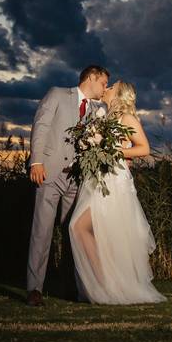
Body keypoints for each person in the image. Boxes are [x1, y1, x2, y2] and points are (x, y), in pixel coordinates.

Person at [68, 80, 167, 304]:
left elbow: (144, 148)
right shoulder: (102, 116)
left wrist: (114, 150)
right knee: (90, 231)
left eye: (111, 86)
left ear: (119, 94)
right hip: (97, 178)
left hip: (115, 181)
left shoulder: (127, 118)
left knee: (81, 227)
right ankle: (103, 284)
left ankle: (107, 285)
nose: (107, 87)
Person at [25, 65, 109, 307]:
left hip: (76, 179)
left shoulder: (97, 109)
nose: (104, 89)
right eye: (103, 83)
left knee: (74, 232)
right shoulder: (58, 94)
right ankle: (34, 290)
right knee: (42, 232)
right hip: (48, 173)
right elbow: (41, 126)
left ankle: (72, 287)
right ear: (91, 77)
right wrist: (36, 161)